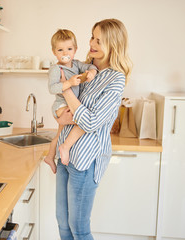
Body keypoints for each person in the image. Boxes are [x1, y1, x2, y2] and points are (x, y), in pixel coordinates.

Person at [54, 19, 132, 240]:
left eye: (99, 40)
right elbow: (63, 107)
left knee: (79, 228)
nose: (92, 43)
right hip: (65, 156)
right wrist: (59, 114)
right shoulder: (88, 69)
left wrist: (66, 89)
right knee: (63, 224)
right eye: (92, 37)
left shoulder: (116, 79)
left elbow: (89, 122)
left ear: (113, 44)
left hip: (85, 161)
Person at [45, 29, 98, 174]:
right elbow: (52, 88)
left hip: (70, 104)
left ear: (75, 50)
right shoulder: (56, 69)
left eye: (69, 49)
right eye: (60, 50)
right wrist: (68, 83)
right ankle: (65, 147)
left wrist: (92, 72)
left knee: (59, 134)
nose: (65, 53)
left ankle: (50, 157)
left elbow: (90, 66)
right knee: (85, 120)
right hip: (61, 105)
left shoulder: (77, 64)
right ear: (54, 52)